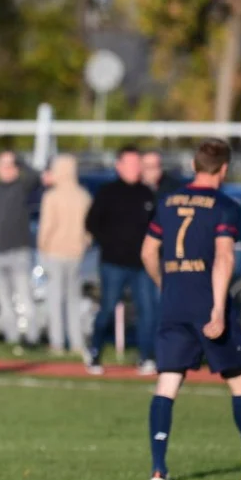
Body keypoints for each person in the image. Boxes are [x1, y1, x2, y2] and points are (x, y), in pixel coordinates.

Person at [140, 138, 241, 480]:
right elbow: (223, 258)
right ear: (223, 169)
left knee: (168, 382)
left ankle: (158, 468)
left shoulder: (167, 201)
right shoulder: (223, 205)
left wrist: (165, 283)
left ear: (194, 166)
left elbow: (148, 251)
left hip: (175, 302)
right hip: (207, 302)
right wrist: (219, 308)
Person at [85, 145, 158, 375]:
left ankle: (146, 356)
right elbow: (91, 223)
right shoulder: (107, 192)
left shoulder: (147, 194)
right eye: (131, 163)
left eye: (139, 164)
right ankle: (95, 351)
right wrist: (110, 242)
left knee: (147, 309)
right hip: (113, 263)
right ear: (119, 165)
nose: (136, 168)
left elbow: (156, 228)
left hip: (142, 265)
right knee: (107, 307)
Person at [0, 151, 40, 351]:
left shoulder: (21, 188)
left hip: (18, 251)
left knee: (25, 296)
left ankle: (32, 338)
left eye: (9, 165)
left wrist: (19, 160)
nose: (5, 169)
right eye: (1, 165)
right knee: (4, 300)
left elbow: (34, 176)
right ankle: (12, 338)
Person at [37, 155, 92, 356]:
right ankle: (77, 343)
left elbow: (47, 227)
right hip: (77, 254)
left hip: (54, 252)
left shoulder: (52, 196)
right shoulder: (83, 195)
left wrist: (42, 248)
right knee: (73, 299)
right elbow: (89, 228)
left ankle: (57, 343)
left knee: (55, 299)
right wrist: (83, 244)